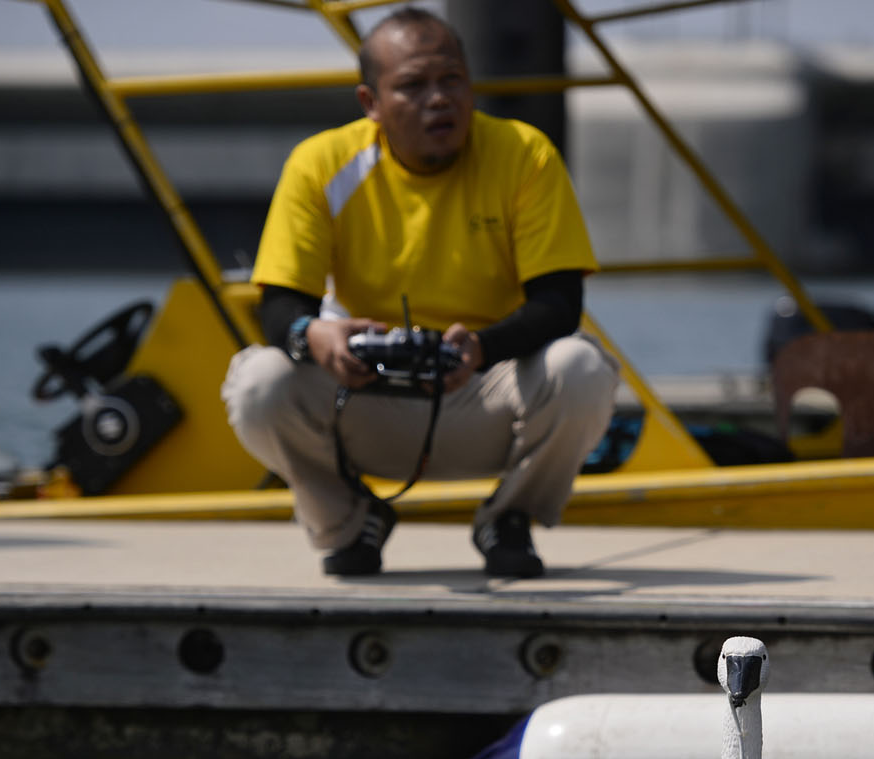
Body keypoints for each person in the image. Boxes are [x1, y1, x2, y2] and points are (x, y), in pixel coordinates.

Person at [222, 7, 618, 578]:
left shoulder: (524, 154)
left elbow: (559, 305)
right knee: (259, 381)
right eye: (412, 85)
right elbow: (280, 307)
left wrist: (479, 347)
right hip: (366, 397)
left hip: (485, 386)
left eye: (452, 80)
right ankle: (351, 523)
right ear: (370, 103)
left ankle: (509, 519)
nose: (440, 100)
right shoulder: (320, 165)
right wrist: (320, 336)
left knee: (581, 368)